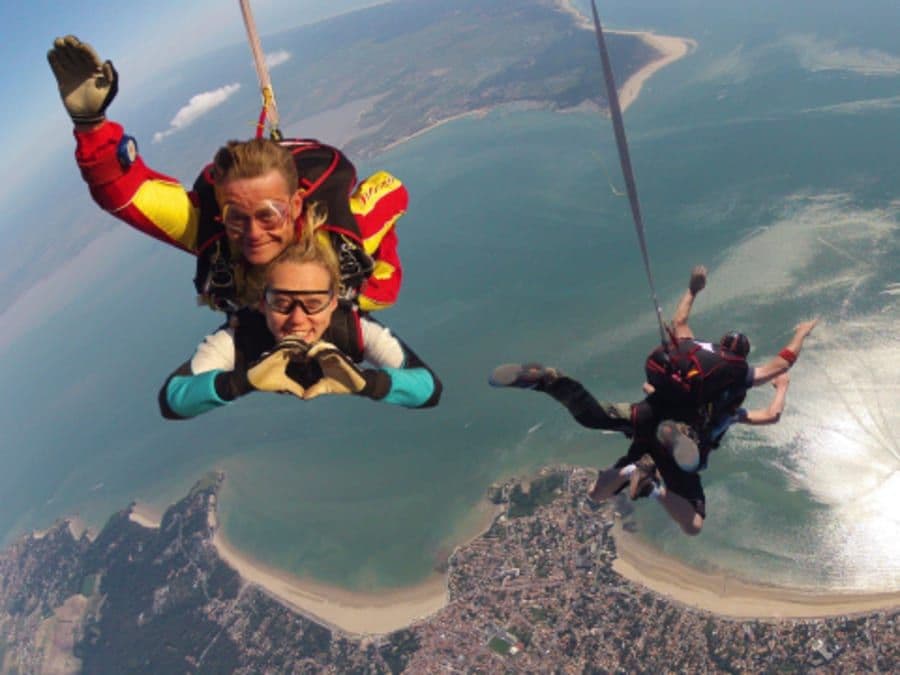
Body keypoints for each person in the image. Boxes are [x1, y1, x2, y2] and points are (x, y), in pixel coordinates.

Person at [48, 35, 405, 313]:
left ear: (297, 205)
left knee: (377, 296)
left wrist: (354, 285)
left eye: (268, 214)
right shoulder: (216, 233)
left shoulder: (347, 230)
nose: (252, 233)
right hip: (265, 292)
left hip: (331, 259)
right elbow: (126, 194)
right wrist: (91, 125)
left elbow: (392, 191)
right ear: (221, 213)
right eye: (236, 217)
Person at [490, 265, 818, 535]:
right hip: (677, 439)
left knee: (598, 420)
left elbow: (679, 322)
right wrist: (788, 370)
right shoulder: (733, 398)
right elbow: (780, 375)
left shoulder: (694, 350)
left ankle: (549, 383)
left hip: (649, 415)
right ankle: (656, 479)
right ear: (741, 357)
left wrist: (693, 288)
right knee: (692, 521)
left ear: (720, 345)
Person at [160, 231, 441, 419]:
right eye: (282, 303)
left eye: (314, 303)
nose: (297, 318)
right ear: (260, 303)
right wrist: (241, 382)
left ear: (334, 303)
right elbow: (172, 400)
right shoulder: (242, 335)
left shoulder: (350, 328)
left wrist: (366, 383)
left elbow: (429, 389)